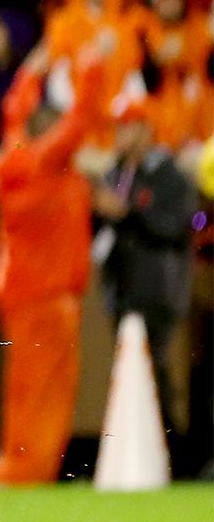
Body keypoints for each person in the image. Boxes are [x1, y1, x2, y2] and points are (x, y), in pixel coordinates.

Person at [0, 56, 106, 486]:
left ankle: (23, 466)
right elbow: (81, 120)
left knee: (26, 387)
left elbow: (12, 114)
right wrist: (97, 63)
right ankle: (27, 469)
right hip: (47, 294)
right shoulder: (44, 164)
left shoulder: (17, 159)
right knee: (46, 393)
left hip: (26, 290)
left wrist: (29, 71)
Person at [94, 101, 197, 435]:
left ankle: (173, 454)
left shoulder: (167, 173)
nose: (120, 134)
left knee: (158, 370)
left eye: (127, 126)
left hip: (158, 288)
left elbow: (176, 227)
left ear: (145, 129)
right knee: (130, 373)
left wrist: (128, 214)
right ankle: (138, 447)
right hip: (121, 287)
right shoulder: (114, 173)